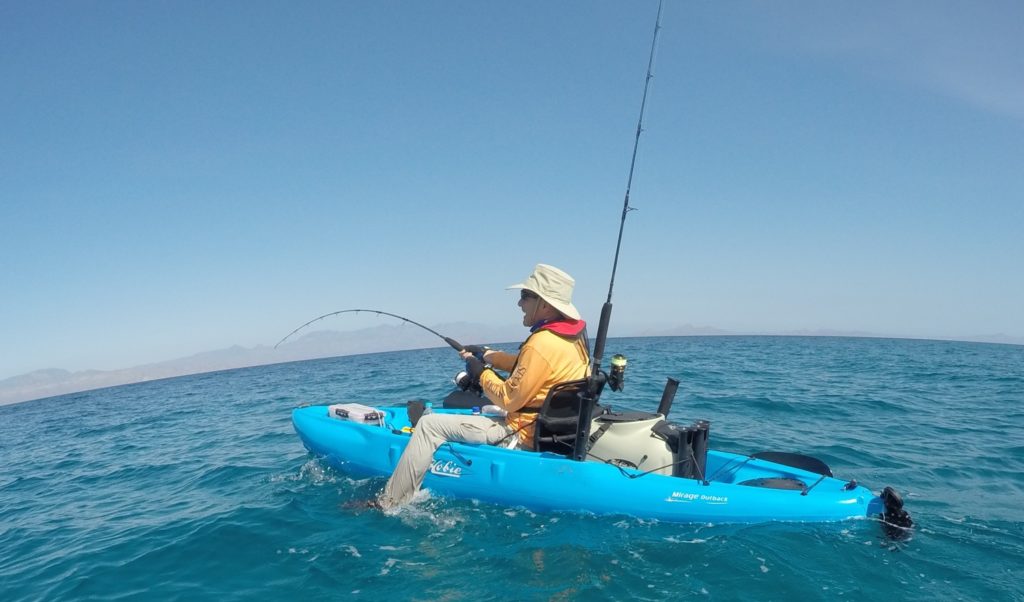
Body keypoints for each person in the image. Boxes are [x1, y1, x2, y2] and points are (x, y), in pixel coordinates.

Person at [376, 264, 590, 509]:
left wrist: (480, 373)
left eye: (524, 296)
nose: (519, 304)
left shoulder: (540, 343)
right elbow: (529, 366)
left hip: (521, 433)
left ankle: (390, 502)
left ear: (544, 304)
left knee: (428, 424)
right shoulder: (571, 340)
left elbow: (509, 399)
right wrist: (487, 354)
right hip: (551, 427)